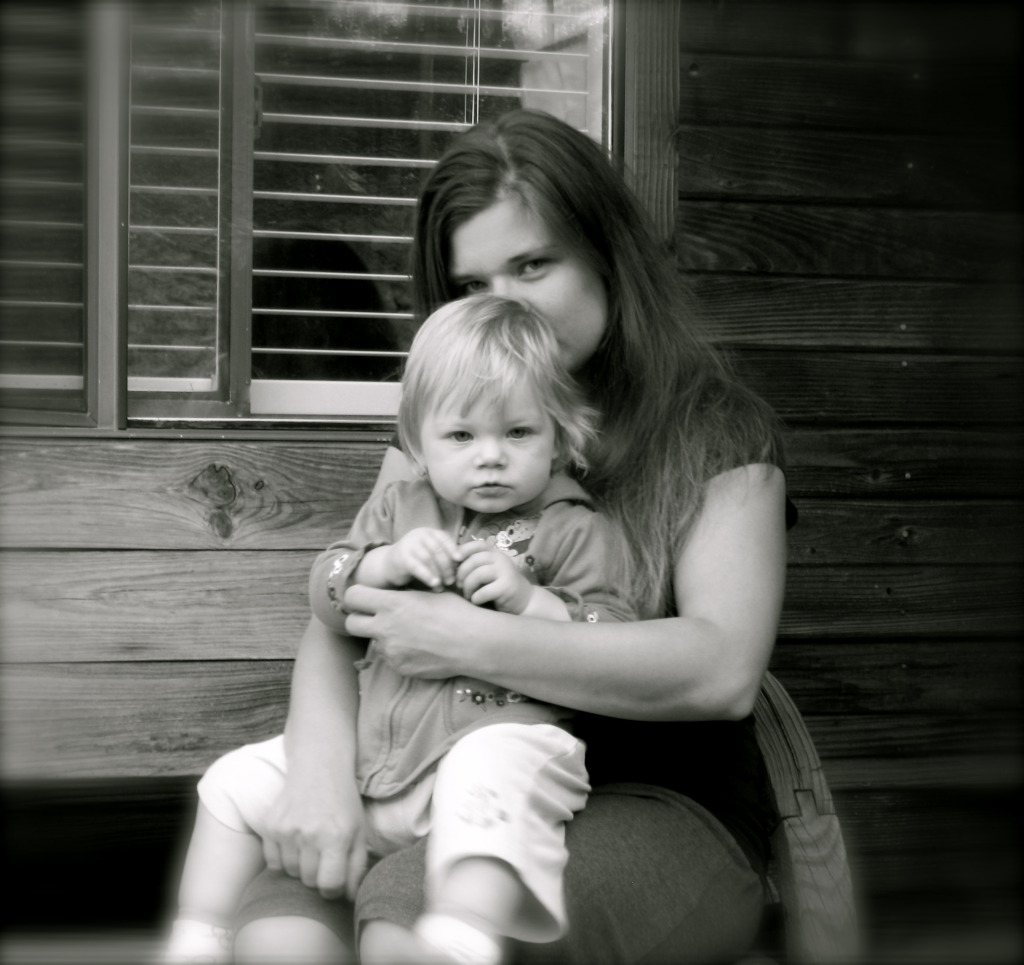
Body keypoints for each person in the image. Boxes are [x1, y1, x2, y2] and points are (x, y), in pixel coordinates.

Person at [233, 108, 792, 965]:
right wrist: (318, 779)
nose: (505, 304)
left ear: (607, 256)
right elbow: (343, 618)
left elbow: (721, 669)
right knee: (282, 923)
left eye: (533, 265)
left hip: (657, 799)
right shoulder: (445, 441)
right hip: (420, 775)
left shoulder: (713, 431)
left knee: (416, 922)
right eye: (472, 284)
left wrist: (466, 636)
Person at [164, 293, 635, 964]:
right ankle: (199, 930)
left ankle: (466, 928)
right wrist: (380, 564)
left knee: (494, 770)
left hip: (492, 742)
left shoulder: (575, 527)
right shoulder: (397, 508)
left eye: (518, 433)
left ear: (558, 436)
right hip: (374, 757)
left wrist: (531, 600)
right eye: (462, 436)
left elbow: (610, 628)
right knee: (233, 779)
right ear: (418, 442)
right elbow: (327, 588)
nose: (491, 456)